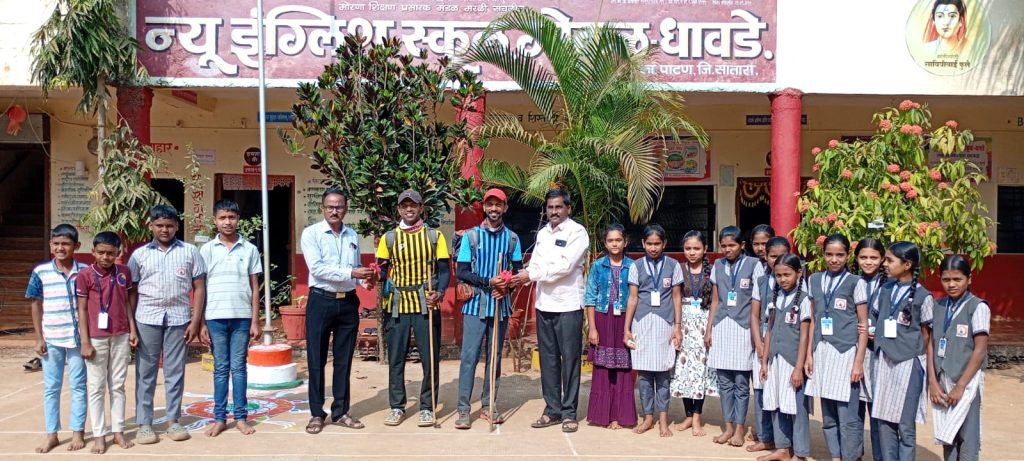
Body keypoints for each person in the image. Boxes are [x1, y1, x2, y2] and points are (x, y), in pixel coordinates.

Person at [511, 189, 589, 433]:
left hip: (568, 305)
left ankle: (569, 412)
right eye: (550, 207)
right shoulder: (543, 233)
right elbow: (536, 264)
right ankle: (552, 409)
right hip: (544, 304)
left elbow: (564, 266)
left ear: (568, 208)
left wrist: (531, 274)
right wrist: (521, 276)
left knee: (570, 360)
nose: (554, 212)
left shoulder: (578, 233)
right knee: (548, 360)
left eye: (558, 207)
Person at [300, 187, 376, 434]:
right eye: (330, 207)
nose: (335, 211)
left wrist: (364, 280)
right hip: (321, 301)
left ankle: (341, 411)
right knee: (316, 359)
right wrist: (353, 273)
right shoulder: (311, 234)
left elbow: (354, 269)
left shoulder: (352, 234)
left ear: (346, 209)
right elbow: (318, 269)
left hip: (347, 303)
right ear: (323, 208)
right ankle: (316, 413)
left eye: (339, 206)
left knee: (343, 360)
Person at [129, 205, 206, 444]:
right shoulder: (139, 255)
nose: (164, 230)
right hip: (146, 319)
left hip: (179, 319)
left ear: (177, 226)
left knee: (175, 372)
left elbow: (200, 287)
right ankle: (144, 424)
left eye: (169, 225)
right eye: (159, 225)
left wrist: (195, 321)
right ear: (150, 226)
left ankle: (173, 421)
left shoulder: (190, 252)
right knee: (145, 372)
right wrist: (131, 326)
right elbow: (131, 292)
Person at [376, 189, 450, 427]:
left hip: (426, 304)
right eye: (404, 205)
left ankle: (427, 407)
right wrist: (373, 277)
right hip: (397, 305)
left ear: (421, 209)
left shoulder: (435, 236)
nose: (409, 209)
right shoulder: (389, 238)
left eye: (414, 205)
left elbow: (445, 270)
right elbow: (381, 272)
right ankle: (397, 406)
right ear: (398, 209)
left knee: (429, 358)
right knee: (396, 358)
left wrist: (438, 294)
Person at [454, 188, 523, 429]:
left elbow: (516, 273)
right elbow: (462, 272)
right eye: (490, 204)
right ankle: (463, 409)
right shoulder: (470, 237)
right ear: (483, 207)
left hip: (500, 306)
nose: (494, 209)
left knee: (494, 359)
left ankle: (488, 405)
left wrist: (506, 288)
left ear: (505, 208)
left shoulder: (512, 239)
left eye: (499, 205)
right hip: (475, 305)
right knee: (469, 358)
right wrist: (488, 282)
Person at [199, 199, 263, 437]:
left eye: (232, 217)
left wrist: (255, 320)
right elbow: (200, 287)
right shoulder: (206, 250)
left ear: (238, 219)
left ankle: (241, 417)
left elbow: (255, 287)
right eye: (222, 218)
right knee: (220, 368)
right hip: (215, 317)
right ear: (215, 220)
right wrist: (202, 322)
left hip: (242, 318)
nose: (227, 222)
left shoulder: (249, 249)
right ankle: (219, 418)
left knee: (239, 368)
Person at [805, 234, 868, 461]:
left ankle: (851, 456)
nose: (834, 259)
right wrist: (809, 355)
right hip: (822, 351)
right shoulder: (814, 280)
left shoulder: (855, 282)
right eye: (829, 254)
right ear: (822, 255)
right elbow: (812, 318)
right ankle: (835, 456)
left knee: (847, 413)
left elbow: (863, 324)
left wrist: (858, 361)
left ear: (847, 256)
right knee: (828, 413)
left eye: (839, 255)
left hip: (846, 352)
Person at [27, 224, 87, 453]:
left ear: (76, 246)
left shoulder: (85, 271)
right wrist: (38, 337)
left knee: (79, 386)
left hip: (78, 339)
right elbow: (35, 304)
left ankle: (77, 432)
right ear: (51, 245)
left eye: (66, 243)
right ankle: (51, 434)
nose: (61, 248)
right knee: (51, 387)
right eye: (56, 243)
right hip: (51, 337)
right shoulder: (40, 272)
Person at [871, 241, 933, 461]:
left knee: (905, 424)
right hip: (884, 360)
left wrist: (915, 355)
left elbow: (926, 333)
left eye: (889, 260)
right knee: (883, 419)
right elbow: (876, 317)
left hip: (908, 363)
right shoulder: (885, 289)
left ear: (907, 264)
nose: (885, 264)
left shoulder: (924, 297)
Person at [75, 231, 137, 453]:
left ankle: (118, 431)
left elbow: (128, 303)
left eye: (111, 253)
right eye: (101, 252)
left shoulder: (124, 272)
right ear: (93, 252)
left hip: (120, 335)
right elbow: (81, 310)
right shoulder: (85, 275)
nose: (105, 257)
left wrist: (132, 329)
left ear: (118, 253)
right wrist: (84, 341)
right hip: (95, 337)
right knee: (96, 387)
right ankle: (99, 434)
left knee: (118, 385)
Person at [623, 224, 683, 437]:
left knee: (663, 374)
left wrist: (678, 326)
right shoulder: (636, 266)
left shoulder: (674, 265)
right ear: (643, 244)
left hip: (665, 324)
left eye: (657, 243)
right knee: (645, 375)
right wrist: (626, 328)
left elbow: (676, 297)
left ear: (664, 243)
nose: (653, 248)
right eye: (649, 243)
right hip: (642, 323)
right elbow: (632, 297)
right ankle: (648, 417)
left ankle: (663, 419)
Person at [927, 255, 988, 461]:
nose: (951, 284)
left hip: (966, 381)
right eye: (946, 279)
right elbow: (931, 344)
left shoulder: (977, 307)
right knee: (947, 435)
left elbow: (979, 350)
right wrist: (933, 382)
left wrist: (961, 386)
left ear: (969, 279)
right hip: (942, 380)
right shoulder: (938, 305)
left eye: (957, 279)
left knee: (967, 437)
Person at [704, 226, 756, 447]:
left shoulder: (754, 266)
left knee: (741, 383)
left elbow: (757, 302)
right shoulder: (718, 265)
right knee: (724, 382)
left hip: (743, 326)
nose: (727, 250)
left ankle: (740, 429)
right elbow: (715, 300)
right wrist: (709, 329)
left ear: (742, 245)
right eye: (723, 246)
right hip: (722, 326)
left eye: (732, 245)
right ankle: (728, 427)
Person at [759, 254, 812, 461]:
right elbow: (769, 330)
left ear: (799, 273)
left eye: (787, 274)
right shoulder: (775, 298)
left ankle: (800, 452)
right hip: (774, 359)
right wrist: (764, 361)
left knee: (797, 409)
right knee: (776, 403)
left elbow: (805, 335)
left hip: (793, 361)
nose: (783, 279)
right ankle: (782, 447)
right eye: (778, 275)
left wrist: (798, 368)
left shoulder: (805, 300)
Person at [584, 223, 636, 430]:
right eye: (610, 240)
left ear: (625, 242)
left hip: (625, 319)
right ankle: (602, 416)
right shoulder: (597, 266)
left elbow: (635, 297)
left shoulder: (633, 266)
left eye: (618, 240)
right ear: (605, 243)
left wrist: (630, 327)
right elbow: (590, 299)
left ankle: (620, 417)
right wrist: (592, 328)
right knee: (603, 369)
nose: (615, 244)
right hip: (603, 319)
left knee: (623, 369)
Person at [670, 230, 717, 437]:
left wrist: (710, 329)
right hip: (685, 324)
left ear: (705, 249)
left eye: (696, 248)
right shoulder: (679, 269)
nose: (692, 252)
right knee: (683, 369)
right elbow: (676, 298)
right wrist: (677, 326)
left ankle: (697, 416)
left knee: (700, 371)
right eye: (688, 248)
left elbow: (716, 300)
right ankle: (688, 414)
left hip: (704, 325)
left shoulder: (712, 271)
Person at [748, 236, 791, 454]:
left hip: (785, 343)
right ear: (766, 256)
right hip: (763, 341)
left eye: (781, 256)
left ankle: (784, 442)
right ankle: (766, 437)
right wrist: (758, 342)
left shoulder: (795, 281)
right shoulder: (762, 282)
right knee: (761, 390)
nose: (777, 261)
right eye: (773, 256)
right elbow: (755, 316)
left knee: (781, 393)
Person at [853, 237, 886, 461]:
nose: (868, 262)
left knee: (876, 409)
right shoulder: (851, 282)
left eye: (873, 257)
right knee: (854, 407)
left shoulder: (890, 285)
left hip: (879, 353)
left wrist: (880, 331)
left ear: (883, 259)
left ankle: (879, 456)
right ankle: (854, 454)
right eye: (863, 257)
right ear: (856, 258)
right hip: (854, 352)